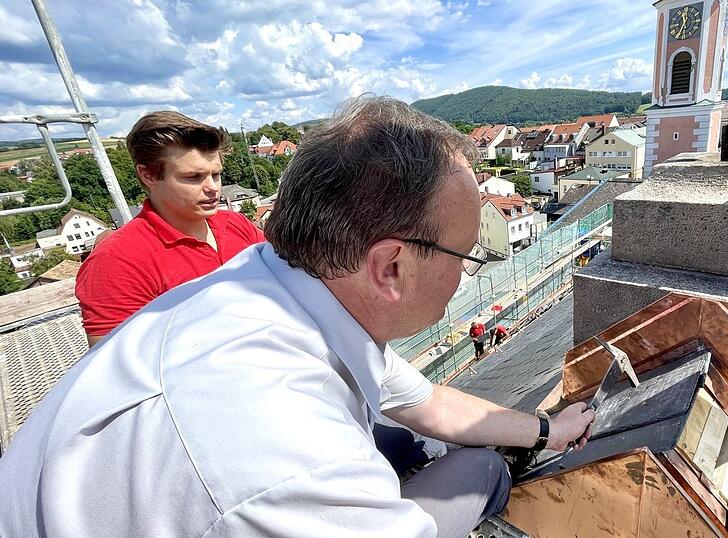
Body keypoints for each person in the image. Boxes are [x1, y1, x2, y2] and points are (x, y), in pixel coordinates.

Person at [0, 96, 595, 538]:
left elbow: (423, 401)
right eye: (468, 254)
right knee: (481, 472)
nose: (469, 272)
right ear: (390, 267)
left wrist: (548, 430)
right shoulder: (292, 457)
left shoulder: (269, 279)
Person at [74, 111, 265, 347]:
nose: (213, 188)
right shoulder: (117, 261)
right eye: (194, 177)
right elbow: (112, 364)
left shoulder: (237, 225)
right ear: (148, 175)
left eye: (216, 175)